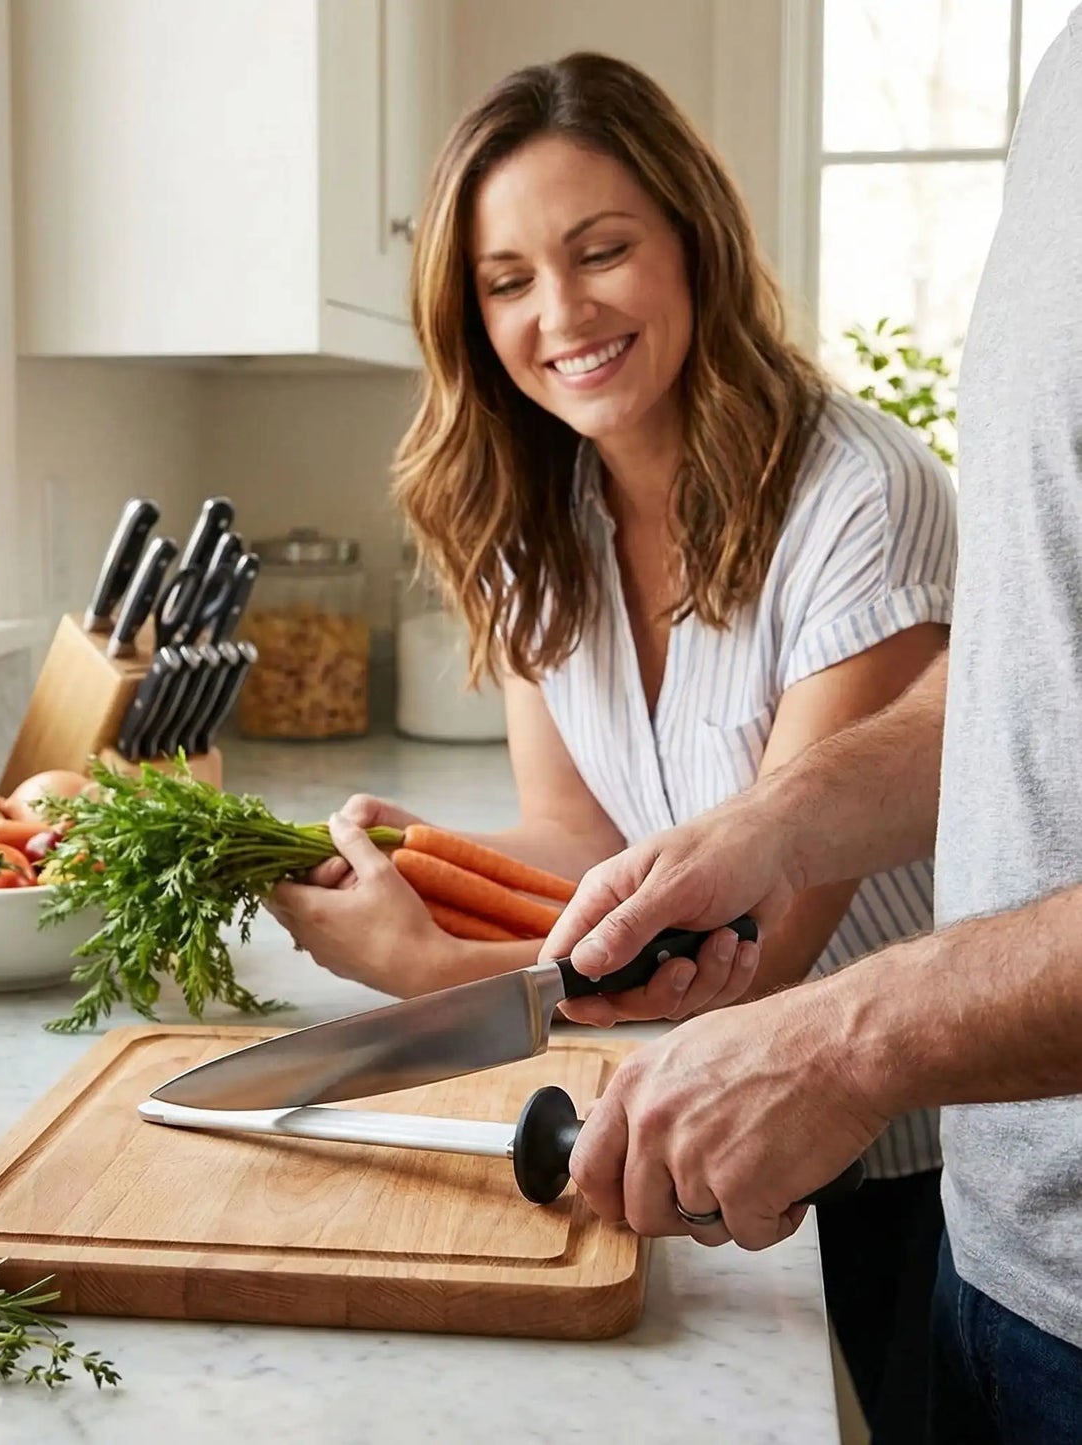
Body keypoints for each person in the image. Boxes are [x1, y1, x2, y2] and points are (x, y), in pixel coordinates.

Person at [264, 52, 955, 1439]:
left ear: (693, 242)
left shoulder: (858, 497)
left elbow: (765, 948)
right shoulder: (537, 515)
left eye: (600, 252)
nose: (561, 313)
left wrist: (432, 973)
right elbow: (582, 838)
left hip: (898, 1168)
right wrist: (415, 861)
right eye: (508, 279)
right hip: (691, 1108)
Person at [543, 15, 1082, 1445]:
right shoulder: (1064, 87)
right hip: (1008, 1245)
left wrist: (844, 1044)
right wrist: (768, 825)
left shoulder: (852, 486)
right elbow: (1036, 670)